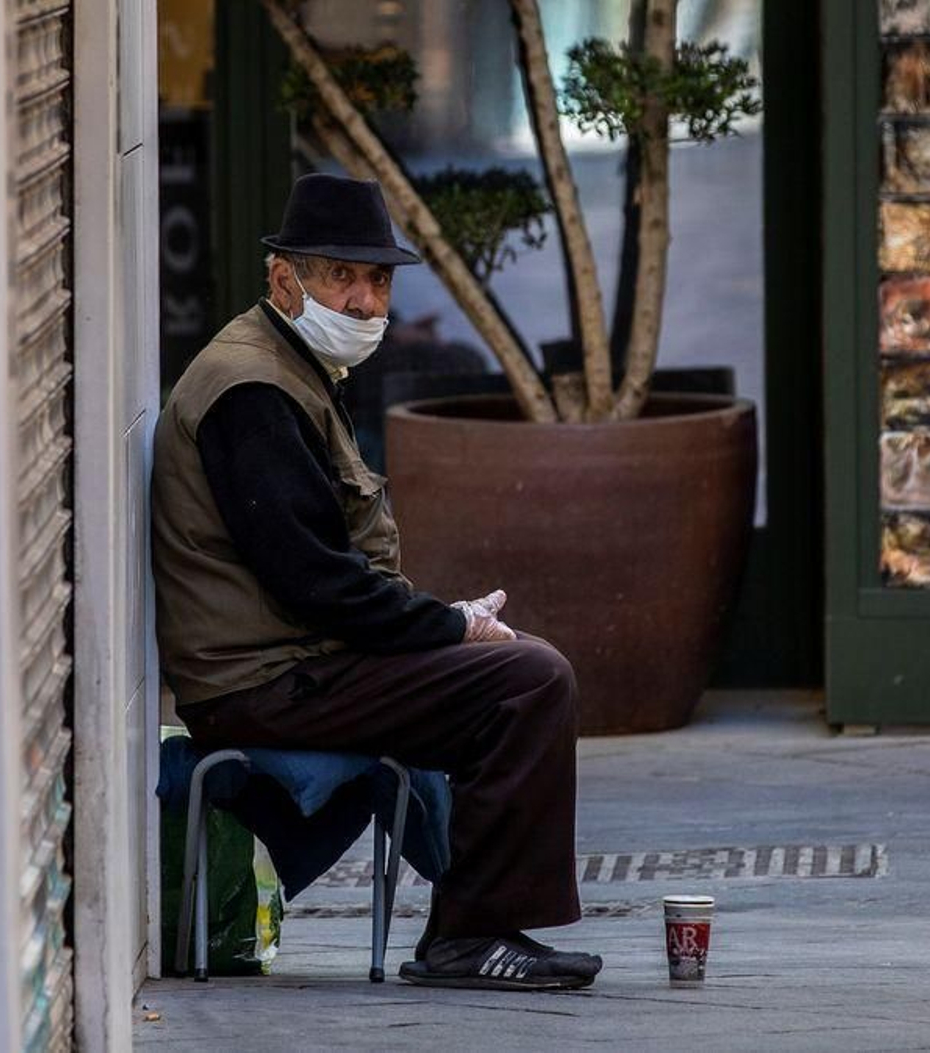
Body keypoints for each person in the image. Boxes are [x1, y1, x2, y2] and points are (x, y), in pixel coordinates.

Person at [151, 173, 600, 990]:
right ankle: (469, 935)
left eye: (379, 279)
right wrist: (449, 624)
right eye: (340, 276)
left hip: (297, 663)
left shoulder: (291, 366)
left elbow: (323, 579)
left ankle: (478, 922)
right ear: (283, 279)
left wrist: (447, 626)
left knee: (522, 668)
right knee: (528, 679)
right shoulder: (251, 388)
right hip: (266, 682)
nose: (365, 301)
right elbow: (314, 582)